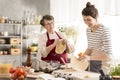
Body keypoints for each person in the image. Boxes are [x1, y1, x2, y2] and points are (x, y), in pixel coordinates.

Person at [78, 2, 112, 74]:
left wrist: (89, 57)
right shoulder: (88, 30)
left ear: (96, 16)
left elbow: (109, 55)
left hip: (103, 64)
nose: (86, 22)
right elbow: (90, 48)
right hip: (93, 63)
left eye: (89, 19)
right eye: (84, 20)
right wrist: (83, 57)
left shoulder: (104, 30)